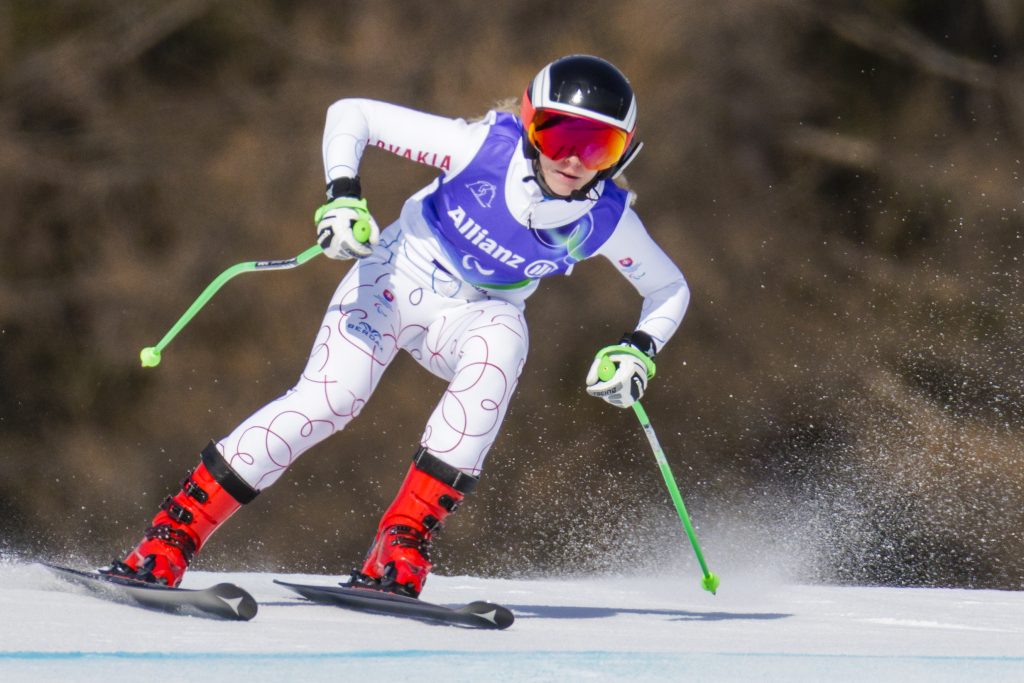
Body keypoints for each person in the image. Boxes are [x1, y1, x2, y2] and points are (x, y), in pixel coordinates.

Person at [102, 54, 690, 598]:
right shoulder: (481, 149)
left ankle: (400, 545)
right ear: (531, 124)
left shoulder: (603, 219)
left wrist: (639, 348)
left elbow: (668, 288)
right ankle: (170, 538)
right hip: (394, 277)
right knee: (331, 399)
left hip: (473, 314)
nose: (574, 160)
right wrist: (343, 197)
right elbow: (351, 114)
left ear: (624, 154)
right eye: (560, 135)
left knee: (505, 342)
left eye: (599, 147)